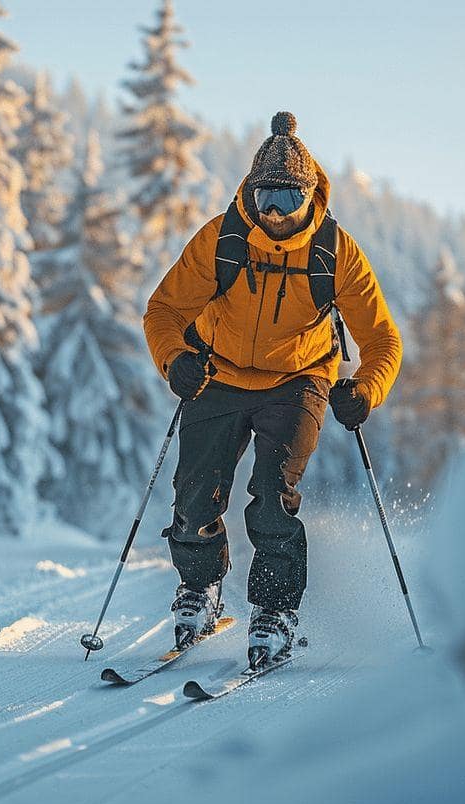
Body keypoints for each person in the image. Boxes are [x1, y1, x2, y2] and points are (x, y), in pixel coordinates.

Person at [143, 111, 403, 668]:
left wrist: (365, 389)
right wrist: (175, 360)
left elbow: (382, 338)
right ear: (250, 193)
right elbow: (163, 310)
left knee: (271, 494)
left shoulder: (336, 253)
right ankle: (200, 589)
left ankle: (275, 612)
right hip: (219, 372)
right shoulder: (223, 239)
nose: (274, 214)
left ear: (310, 199)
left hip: (298, 380)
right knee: (195, 493)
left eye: (287, 201)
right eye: (265, 199)